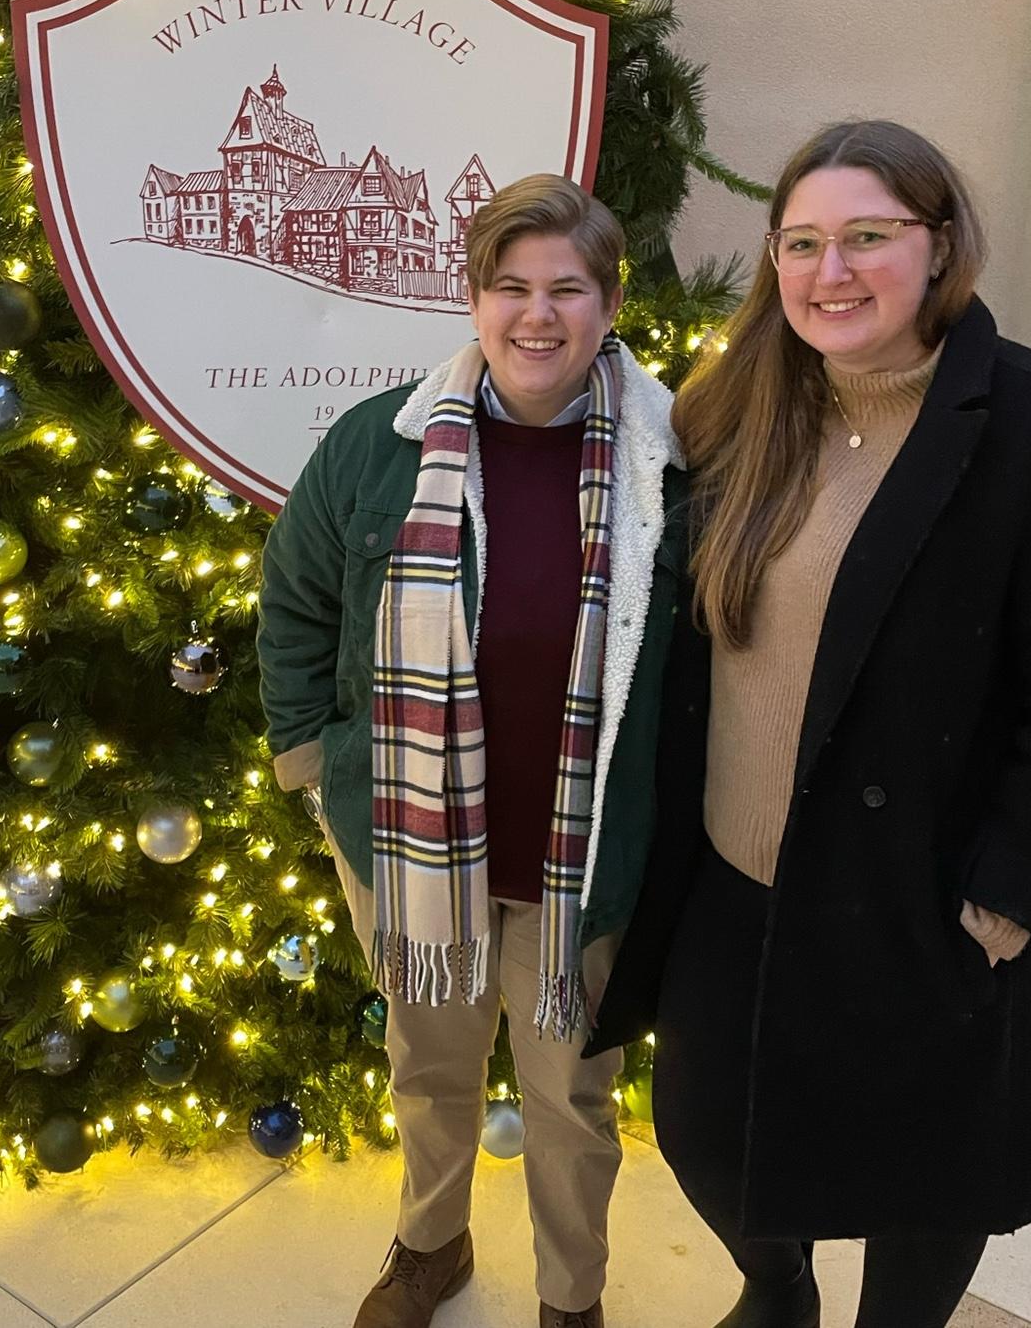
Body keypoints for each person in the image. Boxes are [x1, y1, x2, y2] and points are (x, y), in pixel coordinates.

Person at [588, 120, 1031, 1328]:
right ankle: (777, 1292)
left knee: (925, 1177)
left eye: (867, 237)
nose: (829, 271)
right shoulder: (740, 408)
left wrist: (1008, 900)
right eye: (801, 242)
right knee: (710, 1132)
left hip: (928, 893)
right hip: (733, 880)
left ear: (940, 244)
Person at [257, 174, 687, 1328]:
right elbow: (295, 601)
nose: (537, 316)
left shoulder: (667, 461)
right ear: (474, 299)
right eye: (511, 288)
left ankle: (570, 1297)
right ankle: (429, 1247)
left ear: (609, 304)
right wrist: (311, 764)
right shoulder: (381, 445)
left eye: (567, 289)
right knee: (430, 1071)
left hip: (581, 861)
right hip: (412, 847)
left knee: (571, 1100)